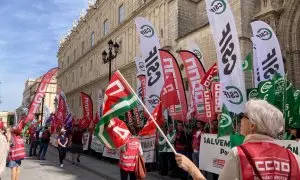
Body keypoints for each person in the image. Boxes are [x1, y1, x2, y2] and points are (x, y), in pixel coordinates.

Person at [175, 100, 300, 180]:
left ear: (252, 125)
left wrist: (192, 168)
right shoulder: (294, 158)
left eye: (242, 116)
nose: (240, 120)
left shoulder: (238, 154)